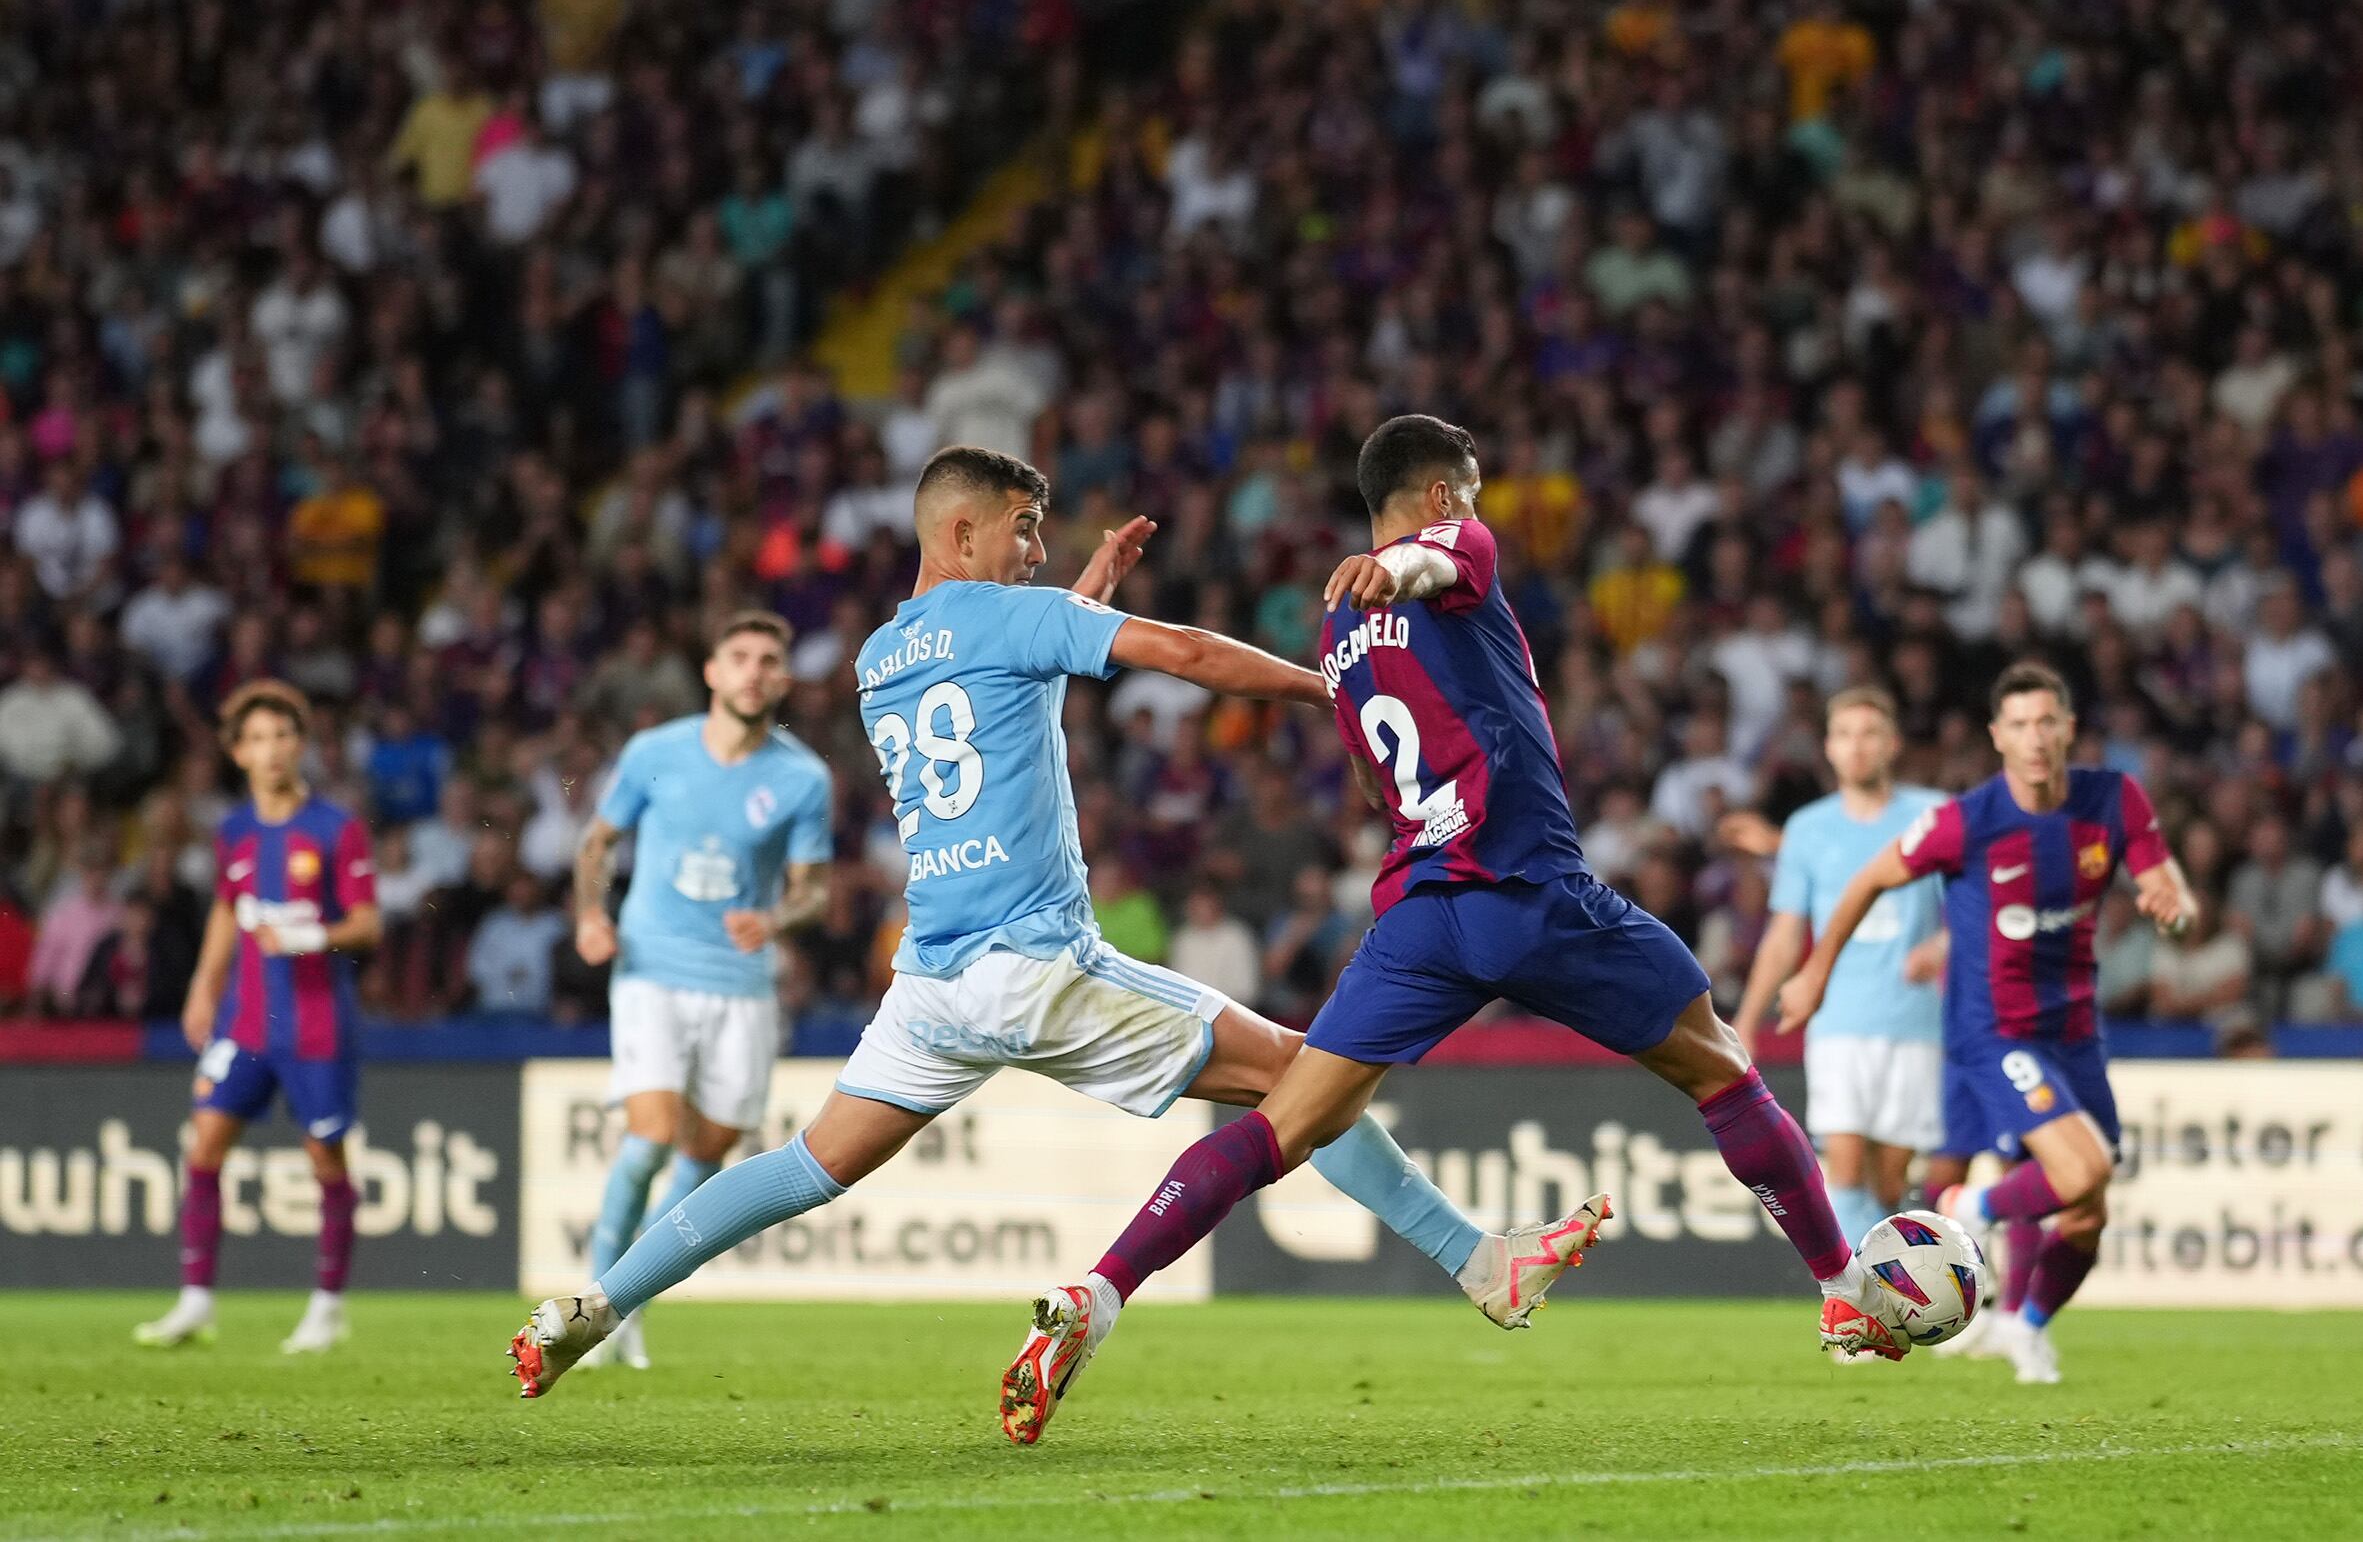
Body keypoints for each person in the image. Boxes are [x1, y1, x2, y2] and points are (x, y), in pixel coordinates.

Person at [509, 445, 1585, 1402]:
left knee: (803, 1165)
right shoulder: (1012, 619)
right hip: (1039, 966)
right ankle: (1479, 1263)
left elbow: (998, 691)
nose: (1034, 548)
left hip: (933, 987)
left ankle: (595, 1305)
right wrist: (1329, 691)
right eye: (1022, 527)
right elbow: (1187, 656)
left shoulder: (879, 657)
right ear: (959, 533)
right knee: (1309, 1079)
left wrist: (1078, 599)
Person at [1010, 417, 1898, 1446]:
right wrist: (1404, 570)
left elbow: (1368, 777)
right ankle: (1841, 1287)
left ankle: (1100, 1292)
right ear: (1441, 495)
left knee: (1280, 1126)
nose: (1473, 511)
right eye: (1467, 493)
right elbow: (1433, 563)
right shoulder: (1454, 545)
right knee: (1723, 1069)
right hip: (1530, 888)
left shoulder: (1337, 632)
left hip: (1421, 914)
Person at [1775, 661, 2197, 1385]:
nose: (2036, 738)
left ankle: (2022, 1327)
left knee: (2087, 1212)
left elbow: (2168, 886)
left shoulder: (2113, 799)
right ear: (1999, 736)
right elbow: (1870, 878)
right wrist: (1816, 971)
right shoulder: (1967, 820)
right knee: (2081, 1169)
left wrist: (2175, 909)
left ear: (2067, 729)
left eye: (2047, 722)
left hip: (2075, 1031)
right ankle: (1966, 1207)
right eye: (2020, 725)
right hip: (1994, 1031)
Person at [565, 611, 835, 1371]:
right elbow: (596, 843)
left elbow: (813, 890)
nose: (754, 670)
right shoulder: (654, 751)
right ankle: (592, 1312)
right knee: (648, 1138)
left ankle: (628, 1304)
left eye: (769, 660)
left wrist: (775, 919)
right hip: (651, 969)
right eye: (739, 656)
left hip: (741, 986)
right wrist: (590, 915)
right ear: (712, 672)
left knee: (705, 1154)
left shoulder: (802, 778)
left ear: (783, 679)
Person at [134, 682, 382, 1354]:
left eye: (282, 735)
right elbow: (227, 907)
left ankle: (328, 1305)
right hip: (245, 1020)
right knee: (204, 1141)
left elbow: (367, 923)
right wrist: (203, 985)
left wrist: (310, 934)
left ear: (301, 744)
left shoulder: (336, 828)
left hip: (315, 1022)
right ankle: (195, 1301)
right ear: (237, 752)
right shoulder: (234, 832)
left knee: (324, 1156)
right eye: (258, 739)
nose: (271, 750)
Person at [1732, 688, 1948, 1248]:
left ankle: (1893, 1282)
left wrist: (1942, 945)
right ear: (1829, 747)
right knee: (1844, 1167)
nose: (1857, 746)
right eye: (1845, 734)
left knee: (1890, 1182)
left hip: (1913, 1020)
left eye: (1870, 733)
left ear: (1893, 744)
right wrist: (1749, 1018)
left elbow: (1975, 907)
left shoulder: (1932, 816)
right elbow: (1785, 933)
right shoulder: (1808, 828)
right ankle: (1856, 1291)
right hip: (1837, 1019)